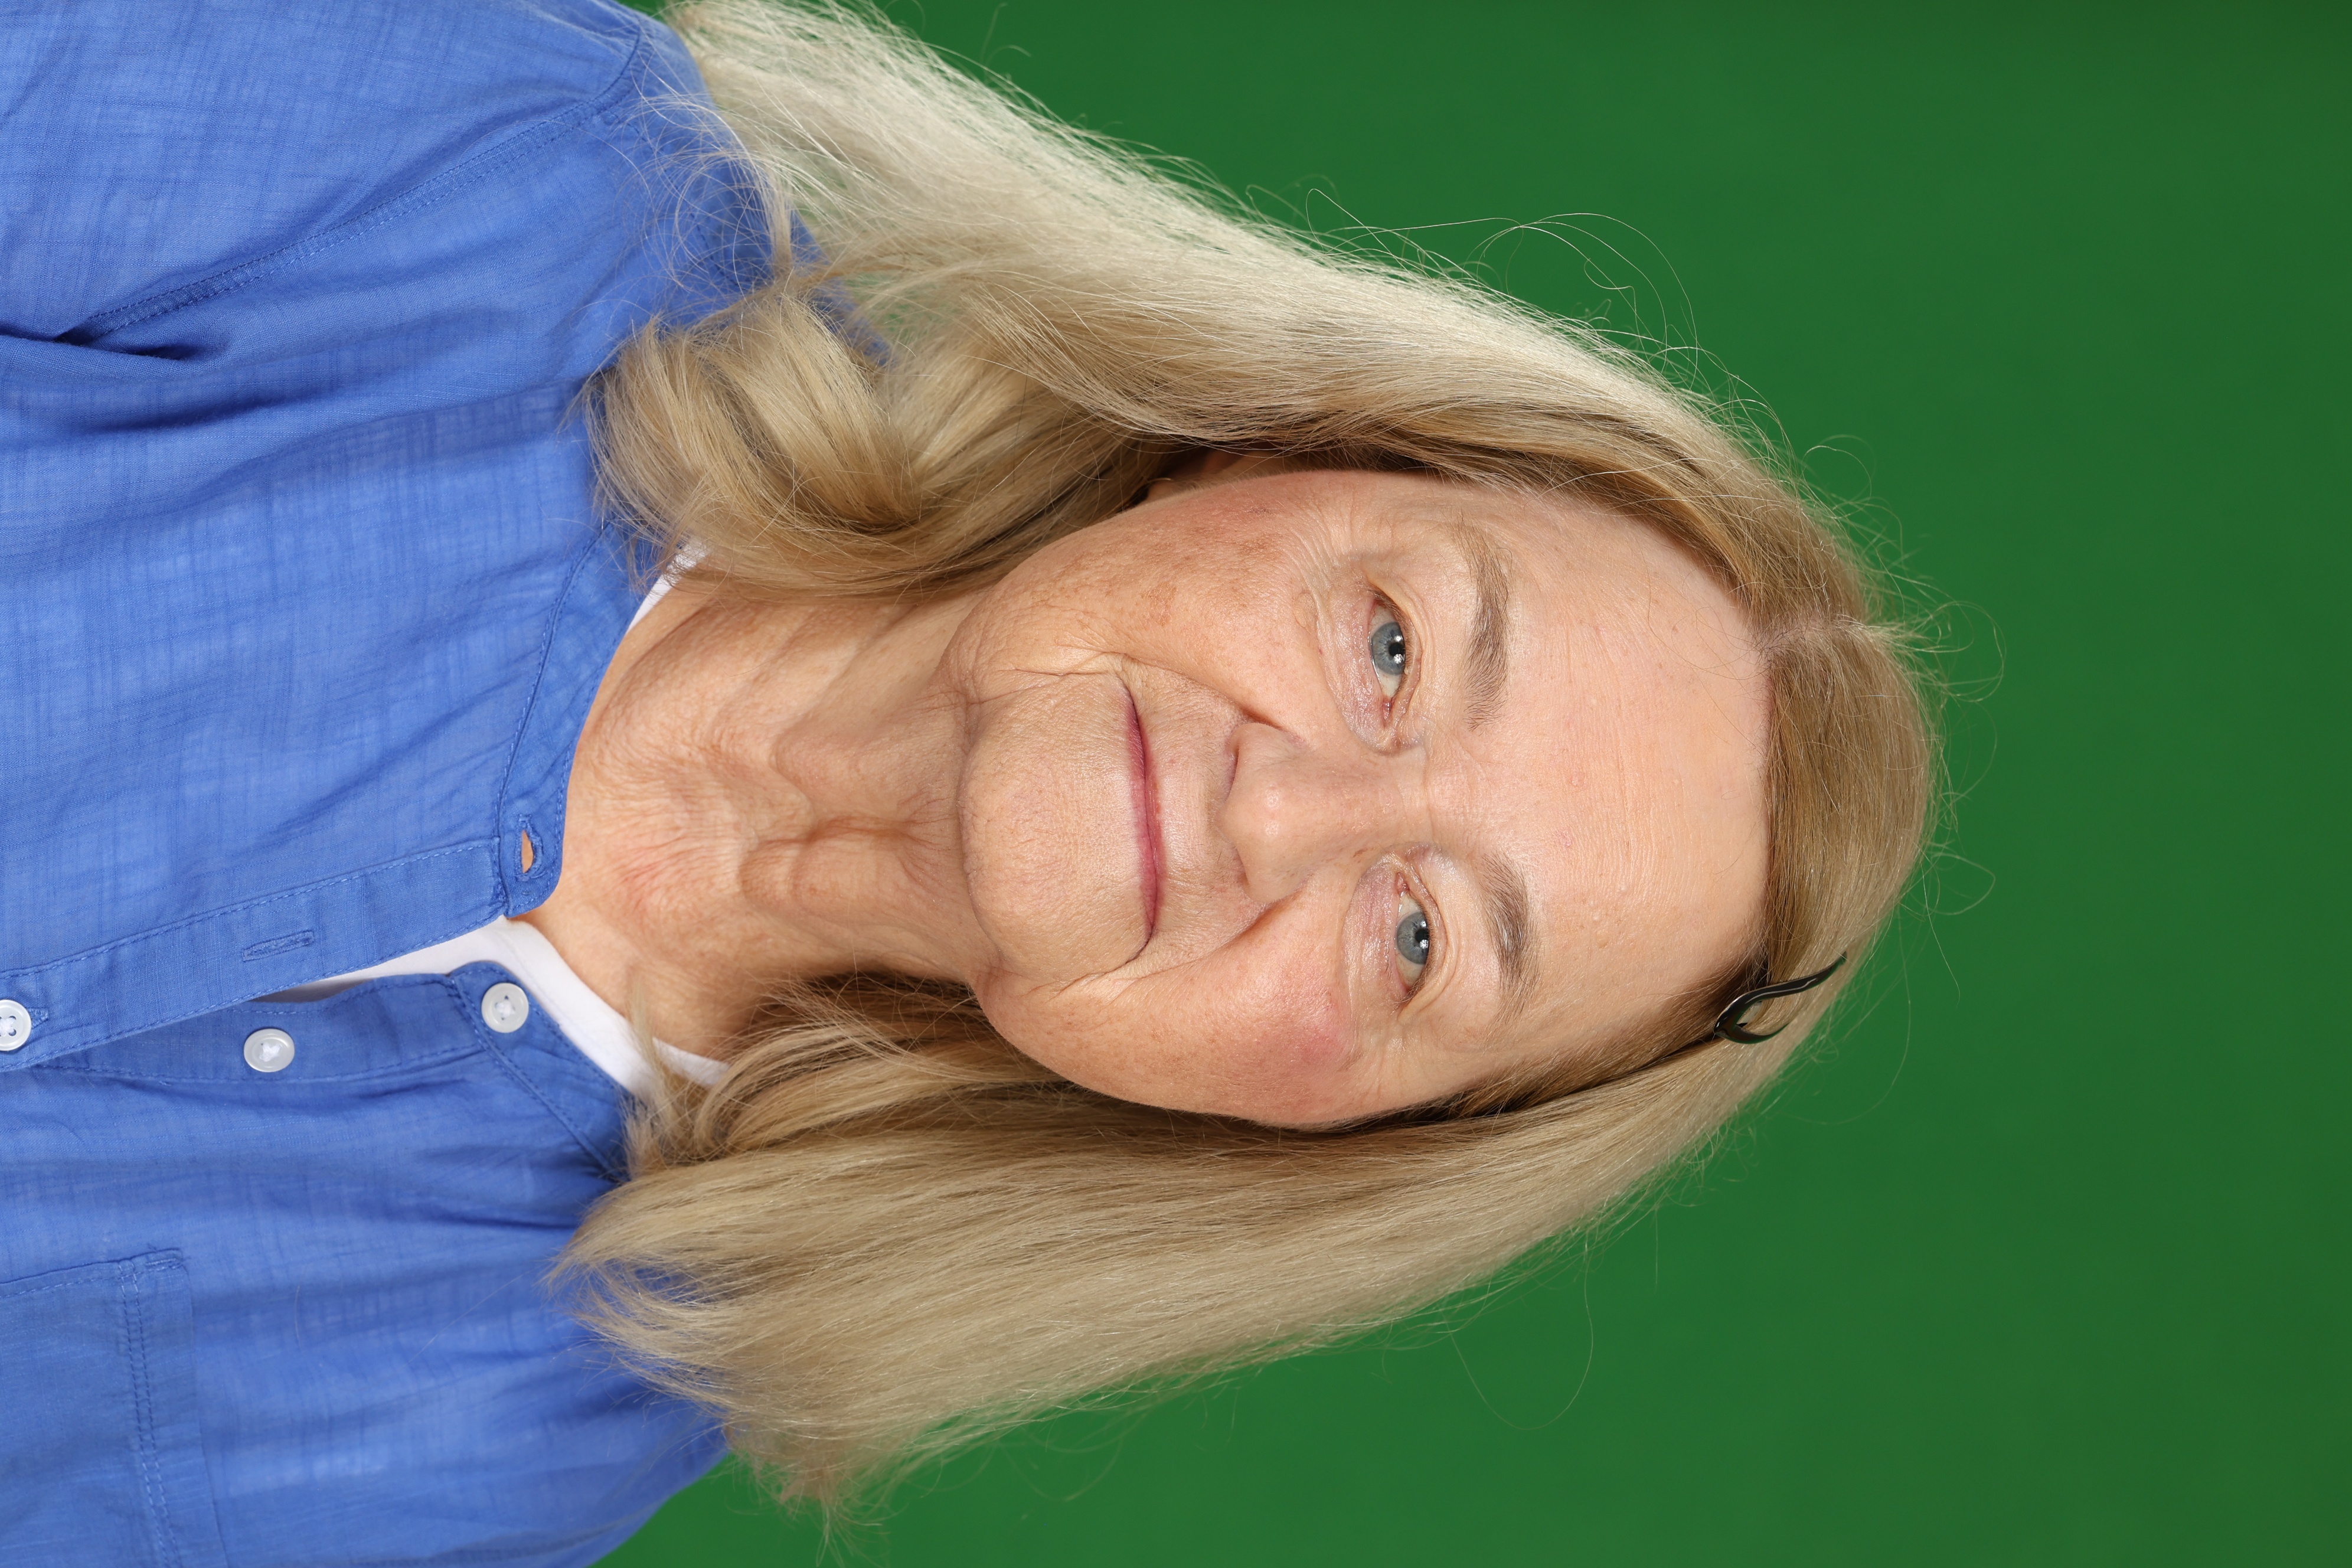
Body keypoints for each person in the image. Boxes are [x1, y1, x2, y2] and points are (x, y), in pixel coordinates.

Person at [0, 0, 1934, 1560]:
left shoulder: (536, 1423)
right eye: (1392, 651)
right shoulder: (519, 178)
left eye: (1420, 937)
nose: (1279, 818)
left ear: (1319, 1136)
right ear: (1282, 448)